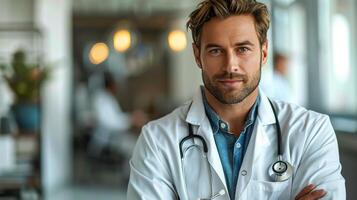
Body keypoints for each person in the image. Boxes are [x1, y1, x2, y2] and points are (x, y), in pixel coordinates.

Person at [127, 0, 346, 199]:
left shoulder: (311, 131)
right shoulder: (157, 141)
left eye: (243, 49)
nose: (230, 65)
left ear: (263, 52)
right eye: (215, 51)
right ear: (197, 55)